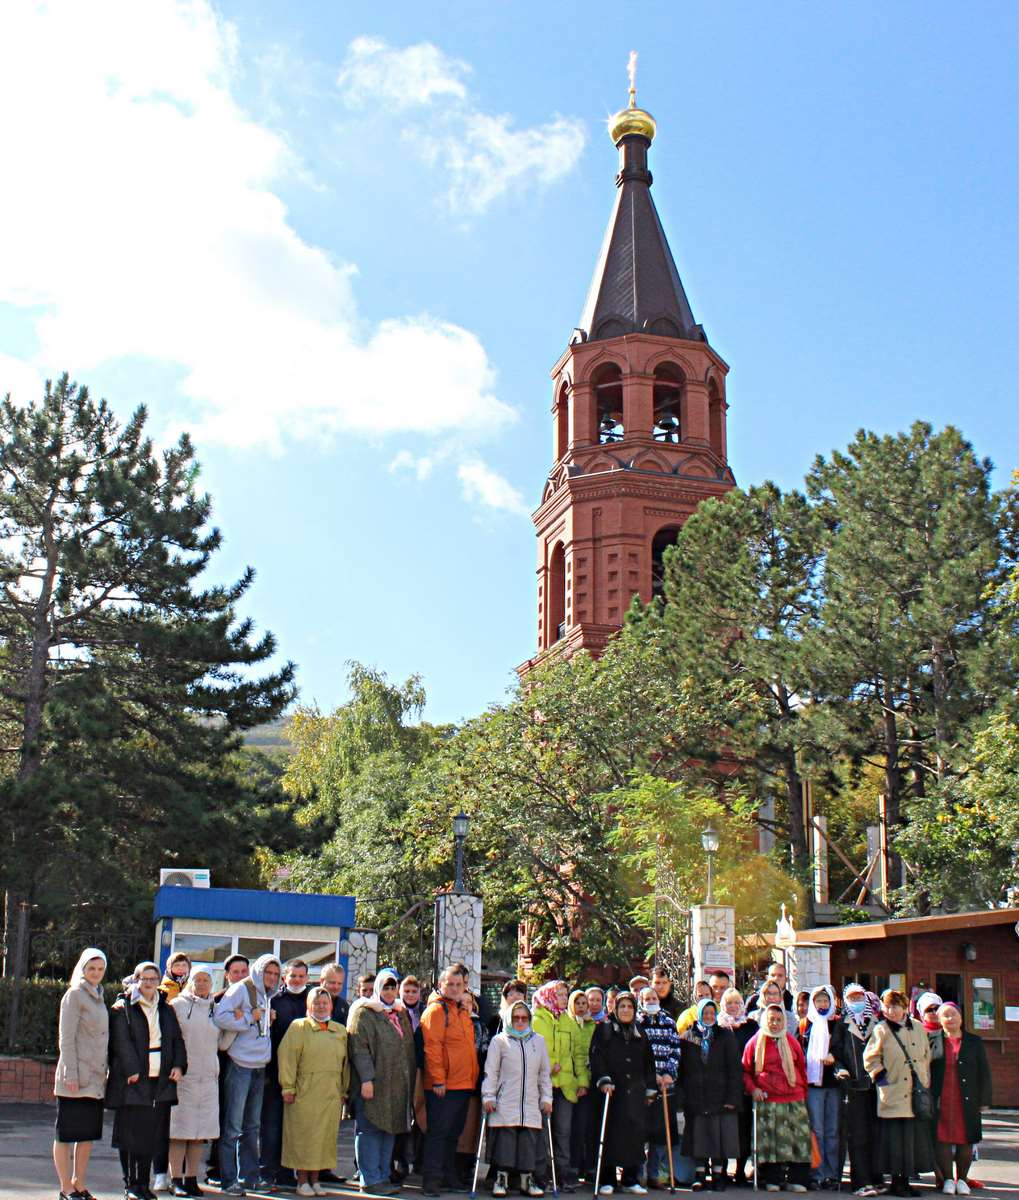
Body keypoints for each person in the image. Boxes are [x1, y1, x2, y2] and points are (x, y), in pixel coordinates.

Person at [107, 961, 187, 1200]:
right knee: (131, 1135)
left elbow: (176, 1039)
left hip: (159, 1081)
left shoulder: (165, 1007)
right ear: (137, 980)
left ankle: (143, 1184)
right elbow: (121, 1043)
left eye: (154, 979)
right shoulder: (123, 1007)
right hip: (134, 1080)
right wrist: (131, 1070)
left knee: (150, 1136)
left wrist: (178, 1065)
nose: (150, 983)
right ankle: (131, 1184)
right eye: (145, 979)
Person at [214, 952, 282, 1195]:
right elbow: (220, 1017)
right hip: (240, 1065)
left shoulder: (268, 995)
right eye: (269, 972)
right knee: (233, 1126)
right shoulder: (242, 989)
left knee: (252, 1126)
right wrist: (248, 1020)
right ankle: (228, 1180)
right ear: (259, 971)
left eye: (276, 973)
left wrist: (264, 1021)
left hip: (258, 1066)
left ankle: (250, 1177)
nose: (272, 977)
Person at [347, 968, 417, 1195]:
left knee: (390, 1129)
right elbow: (359, 1050)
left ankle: (383, 1175)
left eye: (392, 986)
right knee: (370, 1130)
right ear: (378, 988)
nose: (389, 991)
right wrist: (366, 1079)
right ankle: (369, 1178)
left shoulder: (400, 1013)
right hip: (373, 1084)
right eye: (385, 986)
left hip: (395, 1086)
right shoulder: (364, 1013)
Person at [278, 985, 350, 1198]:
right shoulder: (299, 1027)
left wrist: (344, 1090)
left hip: (330, 1093)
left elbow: (346, 1064)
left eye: (325, 1003)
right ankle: (302, 1181)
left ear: (331, 1005)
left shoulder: (340, 1030)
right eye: (316, 1003)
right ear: (308, 1006)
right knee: (304, 1137)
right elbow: (288, 1058)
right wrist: (288, 1086)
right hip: (304, 1091)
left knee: (324, 1138)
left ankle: (316, 1180)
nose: (321, 1006)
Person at [863, 988, 934, 1198]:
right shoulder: (881, 1029)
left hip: (914, 1092)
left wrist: (924, 1078)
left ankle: (906, 1180)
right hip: (893, 1091)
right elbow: (870, 1057)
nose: (890, 1010)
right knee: (894, 1139)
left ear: (904, 1007)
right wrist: (881, 1077)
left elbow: (925, 1055)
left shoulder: (918, 1028)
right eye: (887, 1006)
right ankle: (896, 1182)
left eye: (895, 1006)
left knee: (909, 1139)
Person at [53, 947, 109, 1200]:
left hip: (96, 1079)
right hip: (75, 1077)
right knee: (66, 1134)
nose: (96, 973)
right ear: (82, 969)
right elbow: (66, 1039)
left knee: (86, 1134)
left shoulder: (99, 996)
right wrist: (71, 1074)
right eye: (91, 968)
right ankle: (65, 1186)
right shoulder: (74, 995)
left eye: (100, 969)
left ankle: (79, 1183)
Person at [483, 1001, 554, 1198]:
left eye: (524, 1018)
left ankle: (527, 1179)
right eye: (516, 1018)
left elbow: (544, 1073)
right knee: (506, 1139)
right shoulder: (499, 1041)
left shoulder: (538, 1041)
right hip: (506, 1100)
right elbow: (491, 1071)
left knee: (528, 1140)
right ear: (509, 1019)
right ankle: (501, 1178)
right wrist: (488, 1096)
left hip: (531, 1100)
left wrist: (547, 1098)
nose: (520, 1022)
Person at [420, 966, 480, 1198]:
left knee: (453, 1134)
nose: (455, 988)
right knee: (438, 1134)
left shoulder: (461, 1010)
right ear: (441, 985)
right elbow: (432, 1048)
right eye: (450, 984)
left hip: (463, 1084)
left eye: (459, 984)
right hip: (444, 1085)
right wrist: (438, 1080)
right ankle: (431, 1181)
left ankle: (448, 1176)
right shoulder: (436, 1011)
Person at [589, 991, 657, 1196]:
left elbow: (648, 1062)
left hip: (634, 1092)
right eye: (622, 1007)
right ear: (615, 1009)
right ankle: (607, 1179)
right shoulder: (604, 1030)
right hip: (611, 1093)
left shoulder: (640, 1033)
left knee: (634, 1135)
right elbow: (596, 1057)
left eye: (629, 1007)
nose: (625, 1010)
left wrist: (650, 1088)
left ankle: (630, 1178)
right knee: (609, 1135)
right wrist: (604, 1079)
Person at [742, 1003, 811, 1194]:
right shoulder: (755, 1042)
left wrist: (803, 1092)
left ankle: (797, 1179)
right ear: (764, 1020)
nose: (774, 1023)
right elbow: (746, 1071)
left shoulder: (790, 1041)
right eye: (771, 1019)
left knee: (798, 1141)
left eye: (778, 1020)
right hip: (767, 1098)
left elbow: (801, 1067)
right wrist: (753, 1088)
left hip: (793, 1097)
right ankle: (773, 1179)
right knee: (771, 1141)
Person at [679, 998, 740, 1191]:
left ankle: (719, 1175)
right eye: (705, 1013)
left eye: (712, 1013)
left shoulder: (725, 1036)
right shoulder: (688, 1037)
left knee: (719, 1136)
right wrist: (683, 1098)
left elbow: (734, 1068)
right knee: (699, 1137)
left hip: (720, 1095)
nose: (708, 1016)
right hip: (695, 1095)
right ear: (698, 1014)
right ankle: (699, 1174)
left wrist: (733, 1098)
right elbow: (681, 1070)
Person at [931, 1002, 992, 1196]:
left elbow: (984, 1072)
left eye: (953, 1014)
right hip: (941, 1095)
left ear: (961, 1017)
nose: (950, 1019)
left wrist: (985, 1099)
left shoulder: (974, 1041)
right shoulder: (933, 1039)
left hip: (967, 1096)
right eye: (945, 1016)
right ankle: (948, 1179)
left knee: (965, 1138)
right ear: (939, 1020)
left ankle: (963, 1179)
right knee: (942, 1138)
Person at [531, 979, 586, 1193]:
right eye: (560, 994)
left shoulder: (568, 1021)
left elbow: (578, 1054)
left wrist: (582, 1080)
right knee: (542, 1130)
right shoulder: (537, 1019)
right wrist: (547, 1064)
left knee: (563, 1130)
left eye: (566, 994)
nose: (564, 998)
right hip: (543, 1084)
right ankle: (541, 1172)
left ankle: (562, 1172)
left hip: (565, 1085)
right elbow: (534, 1047)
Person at [168, 969, 220, 1197]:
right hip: (184, 1076)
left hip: (208, 1078)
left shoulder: (216, 1009)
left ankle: (191, 1178)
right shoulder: (178, 1005)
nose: (201, 984)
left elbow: (224, 1041)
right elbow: (170, 1037)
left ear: (212, 983)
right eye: (197, 980)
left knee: (200, 1133)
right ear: (190, 982)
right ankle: (175, 1179)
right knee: (180, 1131)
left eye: (206, 980)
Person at [261, 960, 310, 1188]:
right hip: (276, 1074)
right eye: (293, 976)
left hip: (305, 1077)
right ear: (285, 978)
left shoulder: (313, 1001)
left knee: (297, 1128)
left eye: (302, 976)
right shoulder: (274, 1002)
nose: (297, 980)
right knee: (272, 1127)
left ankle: (288, 1172)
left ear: (307, 978)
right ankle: (268, 1172)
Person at [833, 983, 883, 1197]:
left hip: (876, 1087)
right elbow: (835, 1052)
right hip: (853, 1087)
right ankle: (860, 1181)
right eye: (852, 998)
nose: (856, 1002)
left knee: (876, 1134)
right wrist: (841, 1070)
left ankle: (876, 1178)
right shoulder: (842, 1025)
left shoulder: (877, 1023)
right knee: (857, 1135)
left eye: (859, 997)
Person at [204, 955, 249, 1189]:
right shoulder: (218, 1000)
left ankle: (242, 1170)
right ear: (227, 975)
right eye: (236, 972)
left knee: (242, 1122)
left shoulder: (256, 999)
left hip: (247, 1067)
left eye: (244, 971)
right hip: (222, 1066)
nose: (240, 976)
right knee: (223, 1120)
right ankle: (217, 1167)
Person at [637, 986, 684, 1191]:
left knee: (660, 1133)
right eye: (646, 998)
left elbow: (675, 1049)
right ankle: (638, 1174)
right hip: (644, 1083)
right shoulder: (637, 1022)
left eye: (654, 997)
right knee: (640, 1132)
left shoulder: (668, 1021)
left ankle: (655, 1174)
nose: (651, 1001)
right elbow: (637, 1054)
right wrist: (651, 1075)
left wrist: (669, 1074)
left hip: (666, 1083)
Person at [801, 985, 840, 1190]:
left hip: (833, 1083)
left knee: (832, 1130)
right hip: (813, 1084)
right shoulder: (805, 1025)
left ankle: (832, 1174)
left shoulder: (837, 1024)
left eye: (826, 1001)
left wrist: (834, 1057)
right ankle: (817, 1172)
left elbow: (842, 1050)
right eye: (819, 1001)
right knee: (817, 1130)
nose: (823, 1004)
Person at [717, 988, 755, 1187]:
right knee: (724, 1129)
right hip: (722, 1087)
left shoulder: (751, 1026)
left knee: (743, 1129)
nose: (732, 1007)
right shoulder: (718, 1026)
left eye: (736, 1003)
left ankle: (740, 1170)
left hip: (744, 1085)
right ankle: (722, 1169)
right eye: (729, 1003)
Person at [568, 990, 597, 1184]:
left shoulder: (593, 1026)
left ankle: (590, 1166)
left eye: (583, 1003)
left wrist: (586, 1081)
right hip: (571, 1082)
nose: (581, 1006)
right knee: (573, 1128)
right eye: (577, 1003)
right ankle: (574, 1165)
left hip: (590, 1082)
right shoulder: (567, 1024)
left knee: (588, 1127)